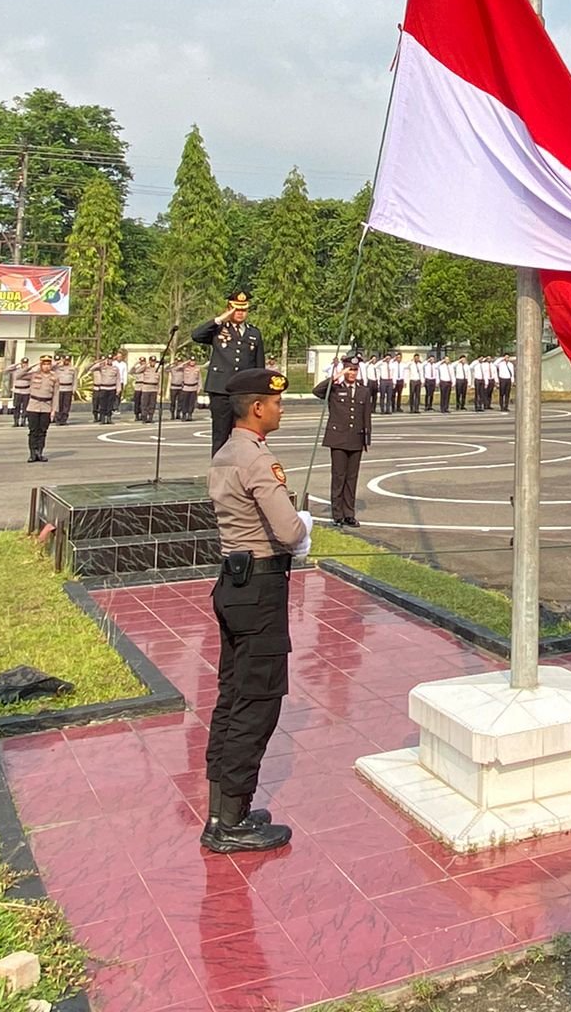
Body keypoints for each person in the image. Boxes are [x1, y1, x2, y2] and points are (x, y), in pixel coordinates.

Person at [202, 367, 311, 854]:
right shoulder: (257, 459)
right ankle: (231, 822)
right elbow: (288, 531)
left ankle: (221, 810)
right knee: (258, 702)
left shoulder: (225, 453)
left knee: (231, 699)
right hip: (261, 589)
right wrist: (304, 527)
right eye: (277, 404)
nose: (280, 410)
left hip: (232, 582)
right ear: (258, 408)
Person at [192, 292, 266, 455]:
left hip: (244, 393)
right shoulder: (218, 329)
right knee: (221, 434)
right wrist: (220, 318)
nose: (240, 313)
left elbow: (259, 365)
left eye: (243, 310)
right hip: (221, 390)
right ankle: (220, 472)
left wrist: (260, 393)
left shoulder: (254, 333)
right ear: (229, 309)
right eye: (235, 309)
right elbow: (196, 335)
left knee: (245, 435)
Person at [313, 357, 373, 526]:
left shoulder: (364, 391)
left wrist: (366, 438)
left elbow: (366, 416)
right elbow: (317, 391)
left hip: (356, 438)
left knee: (351, 478)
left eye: (354, 370)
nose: (352, 373)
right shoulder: (335, 389)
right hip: (338, 439)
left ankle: (349, 514)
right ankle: (337, 515)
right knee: (339, 477)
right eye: (349, 369)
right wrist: (337, 375)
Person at [24, 354, 61, 463]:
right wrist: (33, 366)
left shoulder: (54, 377)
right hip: (34, 406)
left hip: (46, 406)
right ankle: (32, 454)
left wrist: (54, 410)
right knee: (33, 431)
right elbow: (19, 375)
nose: (46, 366)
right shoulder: (33, 375)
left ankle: (39, 453)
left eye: (48, 364)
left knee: (43, 431)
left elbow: (56, 395)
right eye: (44, 364)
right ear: (41, 365)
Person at [136, 356, 160, 423]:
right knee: (144, 404)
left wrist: (159, 389)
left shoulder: (157, 369)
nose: (153, 363)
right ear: (149, 361)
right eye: (151, 361)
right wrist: (145, 364)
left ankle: (150, 417)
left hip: (154, 389)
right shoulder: (145, 368)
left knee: (152, 404)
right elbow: (137, 371)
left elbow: (159, 381)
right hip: (146, 388)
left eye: (154, 361)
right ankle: (144, 417)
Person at [10, 358, 33, 427]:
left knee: (25, 407)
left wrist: (21, 376)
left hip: (26, 391)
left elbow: (29, 377)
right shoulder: (16, 370)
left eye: (26, 363)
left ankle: (23, 420)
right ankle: (16, 421)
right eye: (23, 363)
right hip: (17, 391)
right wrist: (17, 364)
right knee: (16, 406)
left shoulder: (30, 371)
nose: (24, 365)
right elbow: (7, 369)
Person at [54, 354, 76, 425]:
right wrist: (59, 362)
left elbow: (75, 380)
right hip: (59, 388)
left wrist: (74, 389)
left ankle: (64, 419)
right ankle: (58, 419)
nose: (67, 362)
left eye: (68, 360)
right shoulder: (57, 368)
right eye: (65, 360)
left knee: (66, 405)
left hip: (68, 388)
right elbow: (51, 367)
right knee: (58, 404)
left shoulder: (73, 369)